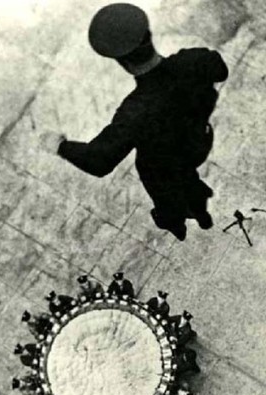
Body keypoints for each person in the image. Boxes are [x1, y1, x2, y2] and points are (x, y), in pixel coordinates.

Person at [40, 3, 228, 241]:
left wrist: (60, 145)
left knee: (154, 172)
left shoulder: (135, 111)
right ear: (148, 36)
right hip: (198, 139)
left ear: (123, 63)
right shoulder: (193, 60)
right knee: (183, 171)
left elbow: (100, 161)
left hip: (165, 162)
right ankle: (200, 210)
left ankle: (176, 221)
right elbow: (220, 70)